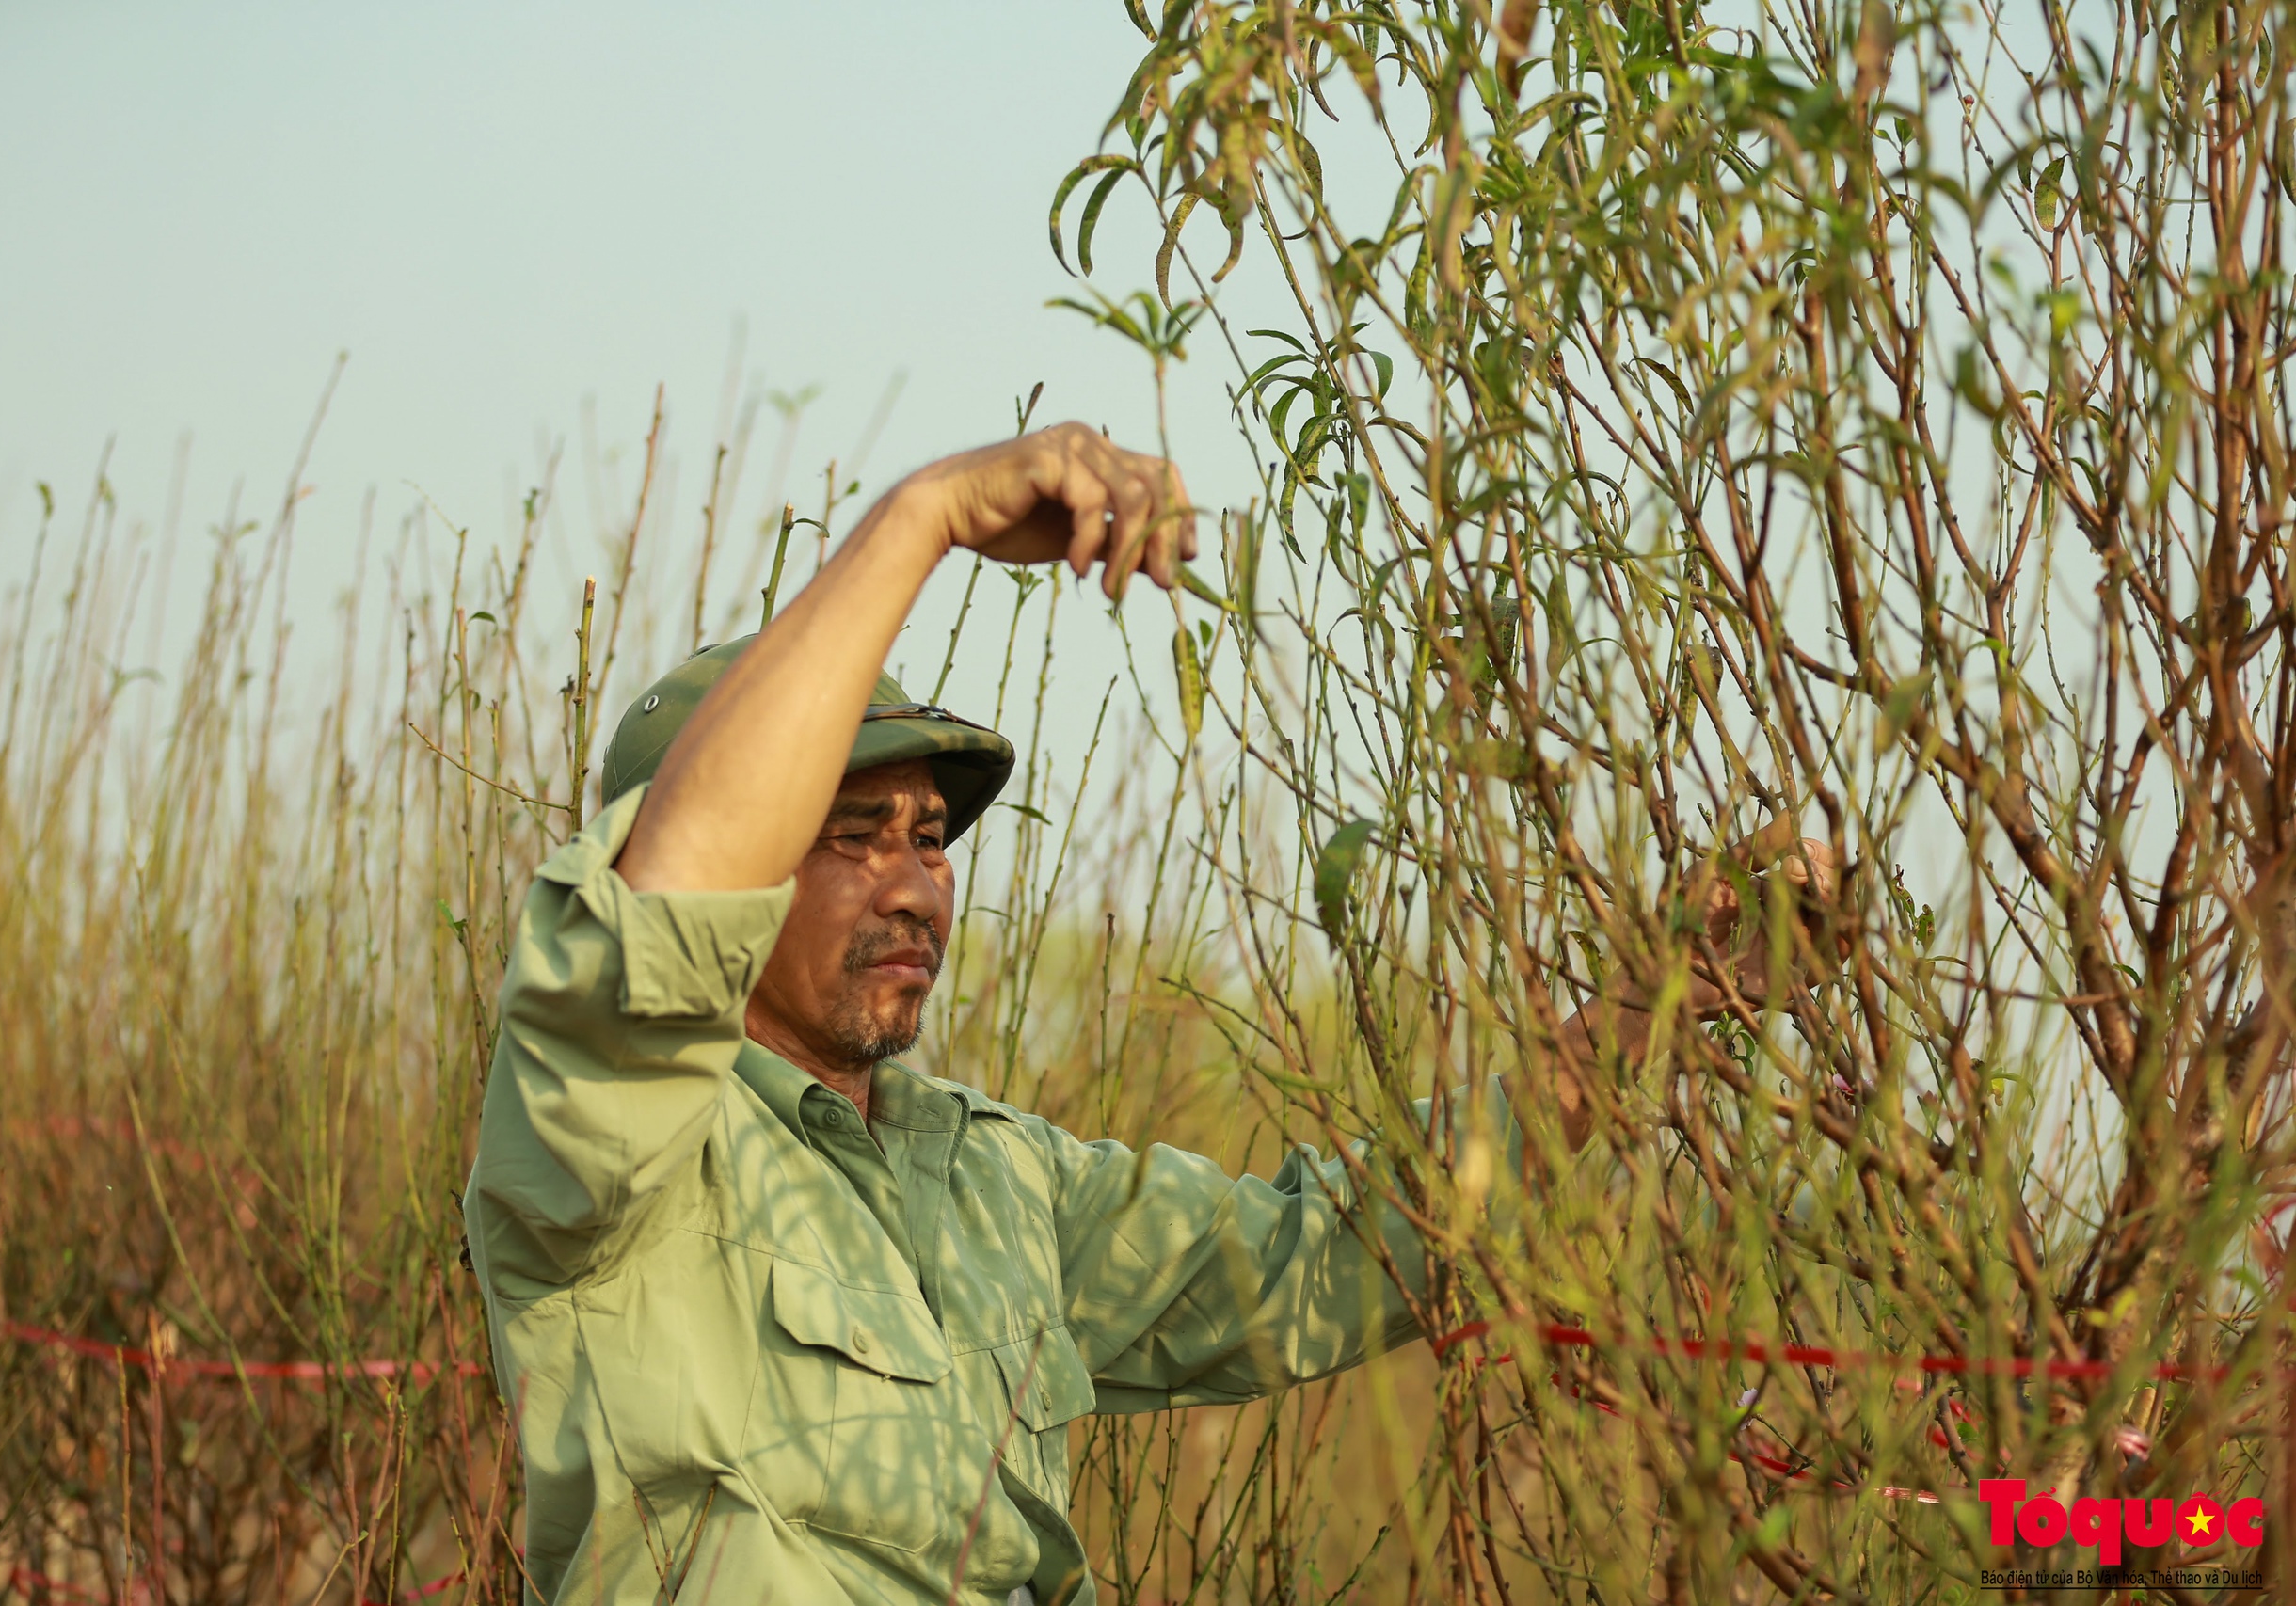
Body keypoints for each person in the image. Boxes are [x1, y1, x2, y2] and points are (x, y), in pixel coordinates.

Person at [461, 423, 1834, 1605]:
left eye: (930, 838)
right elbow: (665, 913)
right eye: (851, 835)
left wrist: (1647, 1014)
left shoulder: (992, 1175)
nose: (916, 888)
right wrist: (923, 517)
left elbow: (1322, 1258)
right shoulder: (615, 1147)